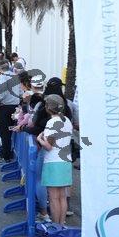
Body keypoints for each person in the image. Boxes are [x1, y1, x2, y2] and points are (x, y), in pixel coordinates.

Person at [36, 94, 73, 226]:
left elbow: (48, 146)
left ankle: (56, 226)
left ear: (48, 107)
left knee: (53, 198)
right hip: (65, 160)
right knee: (62, 196)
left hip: (53, 161)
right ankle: (61, 225)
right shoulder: (67, 120)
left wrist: (39, 139)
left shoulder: (52, 122)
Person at [0, 60, 21, 163]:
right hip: (14, 107)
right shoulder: (15, 76)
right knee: (9, 130)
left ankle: (5, 155)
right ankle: (6, 152)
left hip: (4, 107)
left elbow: (1, 93)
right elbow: (20, 92)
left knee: (3, 131)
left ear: (0, 68)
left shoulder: (2, 77)